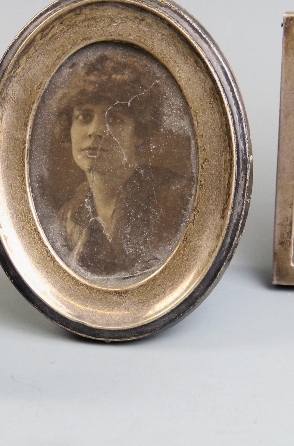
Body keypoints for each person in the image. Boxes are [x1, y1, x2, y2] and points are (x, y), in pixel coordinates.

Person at [55, 50, 192, 278]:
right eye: (84, 117)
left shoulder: (177, 199)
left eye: (115, 119)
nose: (96, 131)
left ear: (139, 132)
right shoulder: (67, 217)